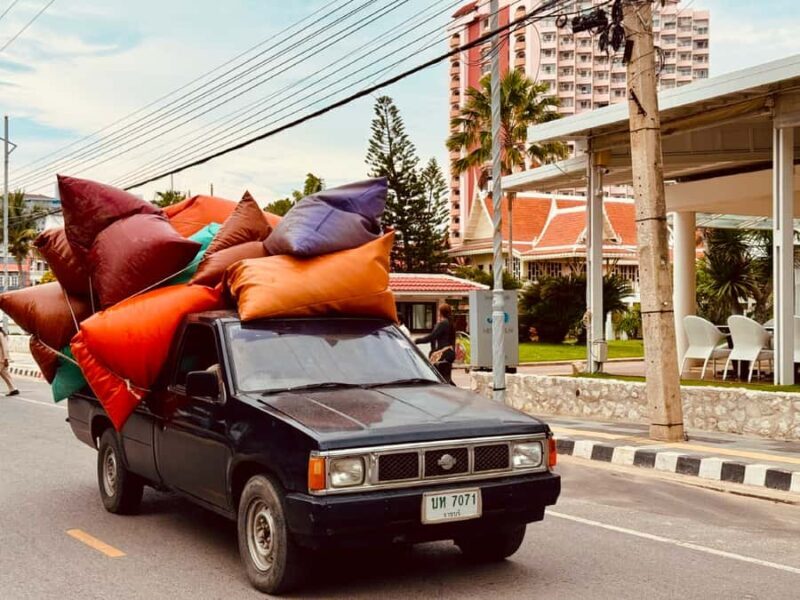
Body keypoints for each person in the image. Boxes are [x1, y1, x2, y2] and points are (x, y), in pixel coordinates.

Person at [415, 304, 456, 384]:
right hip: (449, 353)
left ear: (441, 313)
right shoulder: (450, 323)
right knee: (445, 379)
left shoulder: (443, 323)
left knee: (435, 376)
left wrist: (416, 341)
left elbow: (431, 337)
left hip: (442, 354)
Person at [0, 327, 19, 396]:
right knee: (5, 374)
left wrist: (6, 359)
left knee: (5, 374)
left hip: (1, 359)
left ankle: (13, 389)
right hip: (2, 359)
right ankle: (13, 389)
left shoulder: (0, 335)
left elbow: (5, 347)